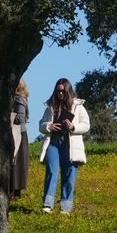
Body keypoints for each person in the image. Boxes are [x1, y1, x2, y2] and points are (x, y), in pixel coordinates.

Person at [38, 78, 90, 214]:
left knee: (69, 174)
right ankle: (47, 205)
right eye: (58, 91)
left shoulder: (78, 106)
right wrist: (49, 126)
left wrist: (73, 126)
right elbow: (41, 124)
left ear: (68, 91)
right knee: (51, 173)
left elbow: (86, 125)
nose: (60, 94)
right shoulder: (50, 106)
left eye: (63, 91)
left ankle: (65, 208)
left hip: (70, 145)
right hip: (53, 144)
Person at [10, 78, 30, 199]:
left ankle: (14, 192)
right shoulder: (19, 98)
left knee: (16, 163)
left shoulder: (19, 99)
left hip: (17, 133)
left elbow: (20, 118)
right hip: (18, 133)